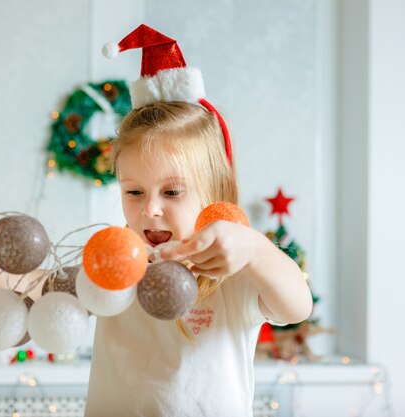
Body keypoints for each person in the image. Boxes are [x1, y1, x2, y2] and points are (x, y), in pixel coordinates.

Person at [82, 25, 313, 417]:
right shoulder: (111, 261)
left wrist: (255, 250)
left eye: (172, 192)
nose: (150, 209)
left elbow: (297, 307)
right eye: (133, 192)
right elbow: (42, 293)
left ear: (213, 193)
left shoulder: (234, 270)